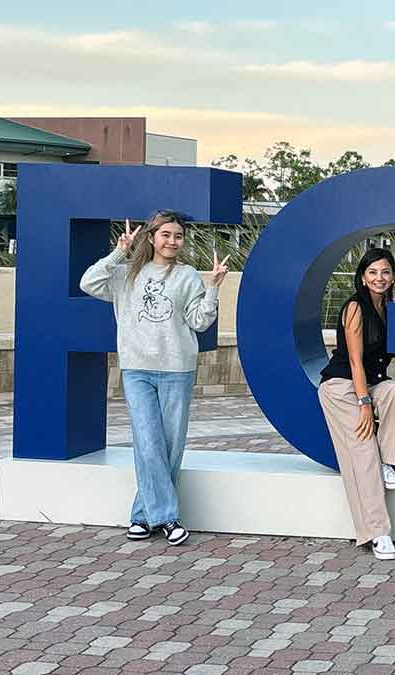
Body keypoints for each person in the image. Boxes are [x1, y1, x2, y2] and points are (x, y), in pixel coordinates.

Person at [80, 211, 229, 546]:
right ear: (151, 237)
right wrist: (120, 251)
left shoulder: (188, 276)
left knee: (169, 446)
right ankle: (168, 518)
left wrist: (213, 288)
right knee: (147, 442)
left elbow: (200, 322)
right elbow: (88, 282)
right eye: (166, 235)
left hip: (177, 369)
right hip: (136, 368)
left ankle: (141, 516)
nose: (172, 241)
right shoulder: (126, 273)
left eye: (178, 236)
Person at [317, 248, 395, 561]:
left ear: (393, 276)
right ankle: (378, 532)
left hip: (373, 383)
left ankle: (388, 460)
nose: (379, 278)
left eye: (385, 272)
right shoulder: (355, 308)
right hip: (343, 386)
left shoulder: (391, 308)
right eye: (373, 272)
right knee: (363, 453)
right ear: (362, 276)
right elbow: (356, 361)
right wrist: (363, 404)